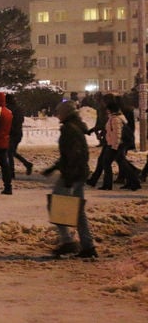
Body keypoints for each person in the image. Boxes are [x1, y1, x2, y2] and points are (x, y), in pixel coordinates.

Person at [42, 101, 98, 259]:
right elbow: (70, 154)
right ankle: (87, 246)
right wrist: (54, 168)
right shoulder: (74, 126)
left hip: (72, 174)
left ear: (66, 113)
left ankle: (68, 241)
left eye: (59, 112)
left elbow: (74, 154)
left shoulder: (69, 129)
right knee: (77, 210)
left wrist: (68, 177)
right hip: (77, 173)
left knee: (57, 205)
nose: (57, 114)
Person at [5, 94, 33, 178]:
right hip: (18, 133)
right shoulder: (18, 109)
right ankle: (27, 164)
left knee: (10, 153)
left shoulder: (9, 109)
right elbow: (20, 121)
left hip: (11, 133)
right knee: (11, 152)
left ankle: (11, 173)